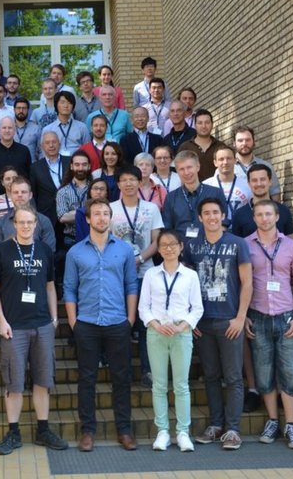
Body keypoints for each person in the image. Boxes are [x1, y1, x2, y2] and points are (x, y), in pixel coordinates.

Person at [0, 205, 67, 455]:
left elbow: (50, 286)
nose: (25, 226)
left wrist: (54, 318)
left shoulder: (44, 250)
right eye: (21, 222)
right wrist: (2, 320)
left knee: (43, 381)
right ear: (14, 224)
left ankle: (43, 430)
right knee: (14, 382)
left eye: (29, 222)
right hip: (14, 326)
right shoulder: (2, 251)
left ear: (36, 224)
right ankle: (13, 433)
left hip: (42, 324)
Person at [64, 198, 139, 452]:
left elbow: (131, 285)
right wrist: (73, 322)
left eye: (106, 213)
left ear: (111, 217)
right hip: (86, 323)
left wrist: (130, 319)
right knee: (87, 378)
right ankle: (87, 431)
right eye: (96, 214)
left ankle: (124, 430)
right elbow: (69, 289)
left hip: (118, 321)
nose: (101, 218)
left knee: (122, 377)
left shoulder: (125, 250)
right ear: (87, 219)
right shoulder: (75, 252)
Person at [183, 198, 252, 451]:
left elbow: (247, 282)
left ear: (223, 215)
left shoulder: (237, 243)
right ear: (200, 218)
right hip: (203, 322)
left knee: (233, 376)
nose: (211, 217)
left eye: (215, 212)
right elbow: (185, 283)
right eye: (206, 213)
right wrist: (190, 318)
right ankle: (215, 425)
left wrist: (241, 317)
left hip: (229, 321)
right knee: (211, 375)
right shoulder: (192, 245)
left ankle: (233, 429)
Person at [246, 200, 293, 449]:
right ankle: (273, 420)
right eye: (259, 215)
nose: (264, 218)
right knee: (263, 373)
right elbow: (241, 283)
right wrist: (244, 315)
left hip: (287, 317)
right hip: (258, 316)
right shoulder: (245, 245)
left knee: (291, 372)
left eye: (268, 214)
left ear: (276, 216)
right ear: (254, 218)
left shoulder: (292, 246)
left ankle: (290, 425)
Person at [139, 229, 203, 452]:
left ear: (181, 247)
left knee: (181, 385)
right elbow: (143, 307)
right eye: (164, 245)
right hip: (156, 333)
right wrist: (156, 325)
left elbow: (197, 308)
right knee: (158, 385)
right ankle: (163, 432)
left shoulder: (190, 276)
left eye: (173, 244)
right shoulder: (151, 275)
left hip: (181, 334)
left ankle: (183, 432)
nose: (168, 248)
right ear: (158, 249)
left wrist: (181, 326)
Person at [110, 166, 164, 388]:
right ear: (118, 184)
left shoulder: (151, 209)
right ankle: (121, 373)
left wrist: (139, 259)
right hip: (118, 276)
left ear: (140, 182)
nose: (129, 183)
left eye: (133, 179)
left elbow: (157, 241)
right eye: (124, 180)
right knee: (121, 324)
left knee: (145, 325)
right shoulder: (111, 209)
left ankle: (148, 371)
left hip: (146, 273)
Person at [161, 151, 226, 241]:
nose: (186, 172)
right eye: (181, 169)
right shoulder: (171, 198)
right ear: (177, 171)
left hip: (210, 245)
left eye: (189, 167)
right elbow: (167, 229)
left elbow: (224, 224)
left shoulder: (215, 193)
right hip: (181, 247)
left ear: (197, 167)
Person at [0, 176, 56, 251]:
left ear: (30, 195)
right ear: (11, 196)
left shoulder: (44, 221)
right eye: (16, 192)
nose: (19, 195)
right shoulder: (1, 222)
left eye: (23, 192)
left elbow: (49, 252)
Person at [231, 164, 293, 238]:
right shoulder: (239, 215)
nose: (259, 184)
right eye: (254, 180)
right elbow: (236, 244)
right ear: (249, 184)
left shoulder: (283, 211)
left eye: (263, 179)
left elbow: (291, 241)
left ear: (270, 181)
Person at [30, 131, 70, 239]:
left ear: (59, 144)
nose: (51, 145)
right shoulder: (35, 167)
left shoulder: (70, 162)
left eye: (54, 142)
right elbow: (34, 194)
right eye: (47, 143)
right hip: (46, 215)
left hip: (69, 214)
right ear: (42, 146)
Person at [0, 117, 31, 199]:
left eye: (10, 128)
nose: (7, 130)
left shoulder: (24, 151)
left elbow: (29, 176)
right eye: (4, 128)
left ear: (14, 130)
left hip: (21, 198)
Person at [203, 145, 251, 226]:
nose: (225, 162)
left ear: (235, 160)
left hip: (242, 230)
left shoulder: (247, 185)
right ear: (215, 163)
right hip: (215, 230)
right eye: (221, 159)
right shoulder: (205, 186)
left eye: (229, 158)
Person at [232, 125, 281, 202]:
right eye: (240, 140)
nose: (244, 143)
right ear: (234, 143)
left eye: (248, 140)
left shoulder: (266, 166)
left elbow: (275, 193)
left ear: (254, 142)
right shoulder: (226, 168)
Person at [56, 150, 92, 250]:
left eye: (84, 164)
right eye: (77, 164)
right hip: (71, 240)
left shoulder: (96, 188)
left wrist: (72, 213)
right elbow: (62, 217)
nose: (80, 168)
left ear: (89, 166)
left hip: (93, 238)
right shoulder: (63, 191)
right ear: (71, 166)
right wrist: (88, 212)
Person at [177, 108, 222, 181]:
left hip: (216, 187)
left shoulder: (220, 147)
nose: (204, 126)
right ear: (195, 125)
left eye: (207, 122)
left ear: (212, 124)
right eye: (200, 123)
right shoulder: (185, 147)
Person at [74, 178, 109, 242]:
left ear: (107, 192)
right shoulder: (81, 212)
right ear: (90, 192)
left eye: (102, 189)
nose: (98, 192)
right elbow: (81, 238)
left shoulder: (114, 209)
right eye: (95, 188)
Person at [11, 98, 41, 162]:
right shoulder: (8, 128)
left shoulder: (36, 128)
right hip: (12, 166)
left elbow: (41, 150)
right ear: (14, 110)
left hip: (31, 165)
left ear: (28, 110)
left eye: (24, 108)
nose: (21, 111)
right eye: (18, 108)